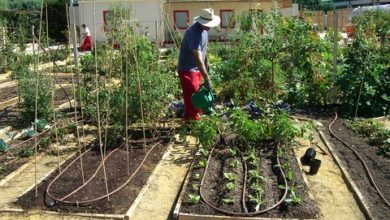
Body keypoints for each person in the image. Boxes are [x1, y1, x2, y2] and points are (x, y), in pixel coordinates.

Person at [178, 8, 220, 121]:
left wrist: (207, 67)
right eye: (208, 24)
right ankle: (192, 123)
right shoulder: (193, 33)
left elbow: (204, 53)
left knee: (198, 97)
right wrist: (207, 79)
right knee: (193, 97)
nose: (209, 26)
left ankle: (191, 119)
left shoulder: (204, 31)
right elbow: (198, 58)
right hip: (187, 69)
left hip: (197, 69)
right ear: (201, 21)